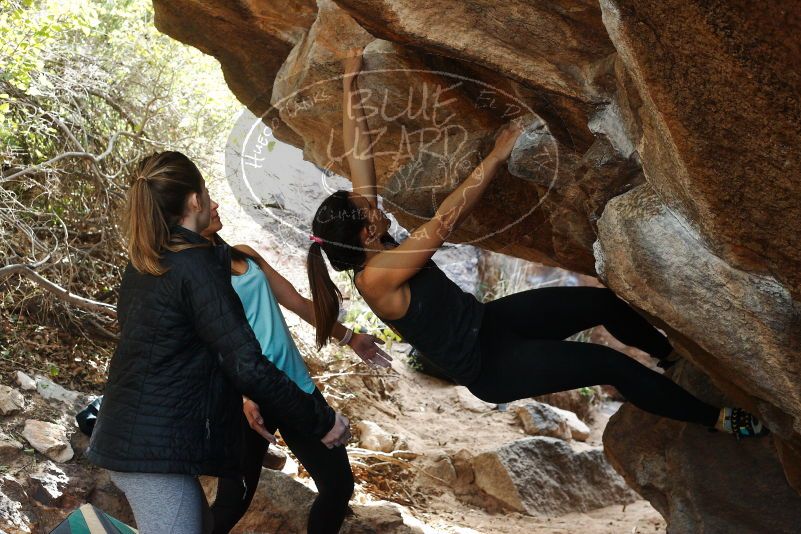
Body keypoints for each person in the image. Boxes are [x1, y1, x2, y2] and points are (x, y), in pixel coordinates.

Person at [304, 51, 768, 439]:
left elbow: (358, 153)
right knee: (612, 365)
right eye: (367, 209)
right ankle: (719, 420)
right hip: (492, 367)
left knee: (601, 304)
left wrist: (351, 84)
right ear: (364, 233)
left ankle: (668, 358)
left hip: (490, 323)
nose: (374, 204)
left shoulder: (369, 236)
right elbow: (445, 221)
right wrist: (499, 152)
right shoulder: (376, 276)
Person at [86, 151, 351, 534]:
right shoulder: (196, 267)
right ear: (194, 201)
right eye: (206, 193)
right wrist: (322, 420)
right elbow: (245, 363)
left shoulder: (148, 263)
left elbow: (179, 355)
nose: (213, 201)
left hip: (140, 445)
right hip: (151, 454)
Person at [201, 200, 390, 533]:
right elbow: (209, 347)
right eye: (205, 199)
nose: (215, 204)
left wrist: (349, 337)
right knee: (235, 501)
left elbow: (297, 302)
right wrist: (243, 396)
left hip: (294, 388)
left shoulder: (244, 254)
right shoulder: (195, 277)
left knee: (338, 485)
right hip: (251, 398)